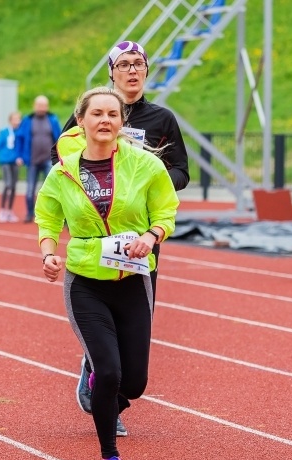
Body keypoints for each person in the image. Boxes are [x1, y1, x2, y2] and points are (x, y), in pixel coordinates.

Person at [35, 86, 179, 460]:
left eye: (113, 115)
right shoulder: (63, 172)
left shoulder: (145, 165)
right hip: (86, 284)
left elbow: (166, 209)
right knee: (111, 371)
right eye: (96, 114)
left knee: (134, 383)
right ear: (81, 121)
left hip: (133, 280)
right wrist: (48, 253)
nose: (105, 121)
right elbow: (47, 219)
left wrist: (151, 237)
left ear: (122, 122)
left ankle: (102, 388)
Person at [51, 41, 190, 436]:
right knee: (104, 324)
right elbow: (58, 160)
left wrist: (153, 178)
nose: (132, 71)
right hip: (97, 236)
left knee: (136, 328)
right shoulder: (94, 113)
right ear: (111, 72)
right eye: (124, 64)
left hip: (142, 237)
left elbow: (182, 171)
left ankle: (114, 390)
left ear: (147, 72)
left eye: (139, 64)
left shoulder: (162, 119)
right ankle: (106, 400)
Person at [17, 95, 62, 222]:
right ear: (34, 106)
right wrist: (20, 156)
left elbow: (59, 138)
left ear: (47, 107)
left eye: (44, 106)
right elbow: (20, 139)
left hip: (49, 160)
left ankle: (51, 215)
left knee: (51, 189)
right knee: (30, 188)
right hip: (32, 160)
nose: (41, 108)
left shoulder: (52, 120)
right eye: (39, 105)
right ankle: (29, 213)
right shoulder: (28, 120)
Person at [0, 111, 23, 222]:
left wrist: (21, 158)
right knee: (7, 184)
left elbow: (22, 148)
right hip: (5, 162)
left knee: (13, 187)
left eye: (19, 119)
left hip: (15, 162)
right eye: (15, 119)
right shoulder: (4, 132)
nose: (17, 121)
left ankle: (9, 211)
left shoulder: (20, 133)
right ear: (10, 120)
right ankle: (2, 210)